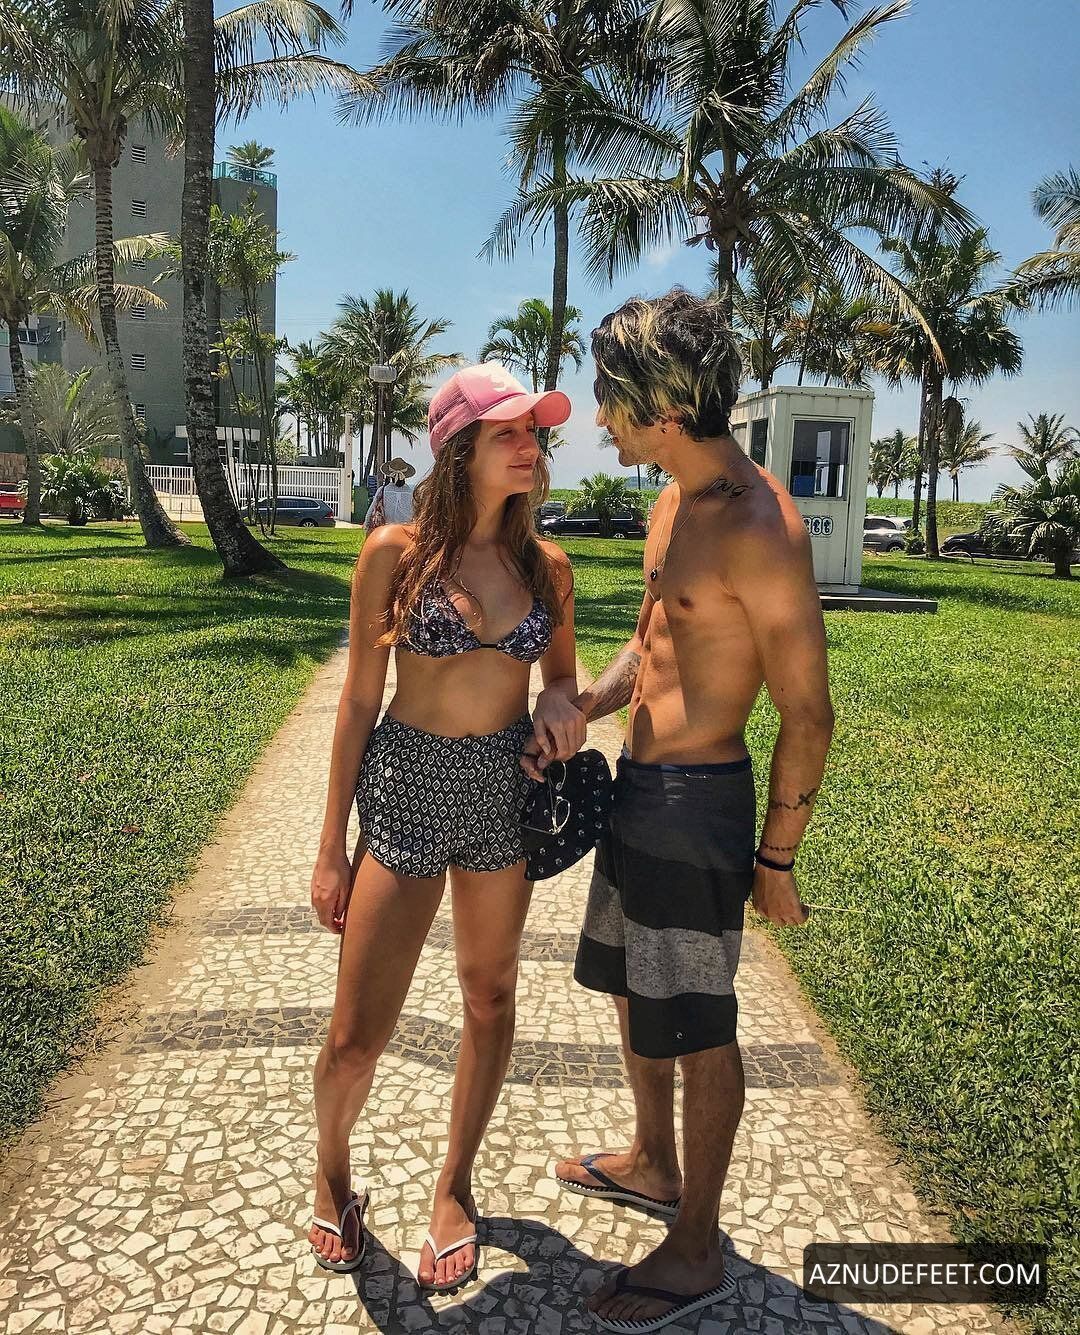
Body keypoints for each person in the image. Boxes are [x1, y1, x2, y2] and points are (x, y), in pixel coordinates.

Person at [538, 289, 835, 1333]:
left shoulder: (763, 527)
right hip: (637, 788)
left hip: (699, 804)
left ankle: (698, 1244)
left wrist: (778, 859)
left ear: (661, 408)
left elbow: (809, 712)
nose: (599, 419)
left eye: (610, 400)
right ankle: (654, 1162)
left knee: (702, 1025)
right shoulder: (671, 501)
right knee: (633, 990)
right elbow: (648, 642)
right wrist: (582, 705)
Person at [307, 362, 588, 1294]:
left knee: (490, 997)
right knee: (356, 1034)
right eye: (510, 430)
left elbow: (560, 676)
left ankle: (454, 1187)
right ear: (458, 447)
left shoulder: (547, 567)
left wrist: (559, 704)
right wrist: (330, 846)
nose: (530, 444)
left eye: (535, 431)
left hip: (502, 793)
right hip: (407, 786)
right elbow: (358, 700)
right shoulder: (393, 553)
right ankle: (333, 1173)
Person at [363, 457, 416, 532]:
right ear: (405, 476)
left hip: (387, 530)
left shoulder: (382, 490)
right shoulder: (412, 492)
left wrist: (366, 524)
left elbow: (371, 509)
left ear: (391, 476)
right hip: (406, 530)